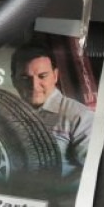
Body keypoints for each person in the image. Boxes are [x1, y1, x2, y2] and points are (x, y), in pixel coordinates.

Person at [10, 44, 94, 176]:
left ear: (55, 76)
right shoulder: (9, 113)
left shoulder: (81, 116)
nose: (34, 86)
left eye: (42, 76)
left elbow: (91, 172)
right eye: (25, 78)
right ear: (14, 80)